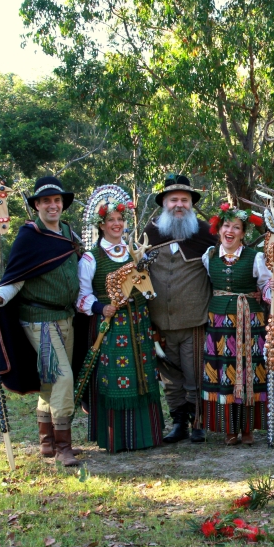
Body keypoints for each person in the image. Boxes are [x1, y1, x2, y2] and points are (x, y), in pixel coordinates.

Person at [0, 177, 83, 466]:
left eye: (57, 200)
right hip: (40, 320)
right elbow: (14, 281)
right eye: (46, 201)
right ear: (37, 205)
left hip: (66, 318)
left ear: (62, 204)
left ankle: (47, 442)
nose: (53, 205)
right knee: (63, 377)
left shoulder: (68, 234)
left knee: (50, 381)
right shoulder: (29, 237)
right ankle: (64, 447)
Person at [76, 186, 164, 452]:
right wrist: (101, 308)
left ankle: (147, 436)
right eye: (111, 220)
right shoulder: (91, 257)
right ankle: (116, 438)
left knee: (144, 374)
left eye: (120, 220)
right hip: (112, 326)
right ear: (101, 225)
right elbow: (82, 297)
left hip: (139, 322)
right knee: (115, 377)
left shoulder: (134, 252)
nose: (116, 224)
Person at [199, 204, 274, 445]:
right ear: (219, 230)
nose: (230, 231)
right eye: (226, 226)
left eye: (236, 228)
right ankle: (229, 429)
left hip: (250, 321)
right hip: (218, 324)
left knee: (250, 372)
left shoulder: (256, 257)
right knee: (223, 374)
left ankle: (248, 429)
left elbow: (267, 288)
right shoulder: (208, 257)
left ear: (242, 233)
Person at [141, 174, 216, 444]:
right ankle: (178, 423)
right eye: (174, 200)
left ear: (192, 204)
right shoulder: (149, 235)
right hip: (159, 322)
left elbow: (223, 269)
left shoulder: (207, 234)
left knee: (195, 374)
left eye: (185, 200)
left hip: (194, 320)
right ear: (164, 203)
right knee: (170, 377)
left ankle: (198, 422)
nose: (179, 204)